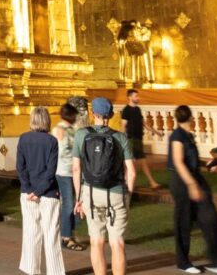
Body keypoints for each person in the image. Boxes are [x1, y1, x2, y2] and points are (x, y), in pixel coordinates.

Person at [168, 105, 217, 274]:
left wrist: (205, 165)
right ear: (191, 118)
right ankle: (183, 262)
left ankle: (216, 261)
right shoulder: (177, 136)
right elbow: (178, 163)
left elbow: (189, 161)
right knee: (184, 222)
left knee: (210, 218)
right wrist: (192, 185)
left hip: (195, 178)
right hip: (182, 182)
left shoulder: (188, 136)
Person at [73, 97, 136, 275]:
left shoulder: (81, 135)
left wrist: (78, 198)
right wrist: (127, 196)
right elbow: (131, 172)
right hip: (116, 193)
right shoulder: (120, 138)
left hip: (91, 193)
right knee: (117, 242)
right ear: (110, 115)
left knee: (96, 241)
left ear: (94, 114)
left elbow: (76, 169)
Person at [16, 106, 66, 275]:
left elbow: (20, 168)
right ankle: (55, 272)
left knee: (31, 233)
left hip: (28, 193)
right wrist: (38, 191)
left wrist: (30, 189)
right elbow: (51, 172)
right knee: (51, 234)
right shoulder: (51, 141)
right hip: (48, 193)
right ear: (46, 121)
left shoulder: (23, 139)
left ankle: (32, 270)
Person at [52, 103, 84, 251]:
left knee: (78, 203)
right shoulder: (59, 129)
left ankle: (69, 231)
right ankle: (66, 236)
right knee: (69, 204)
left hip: (74, 171)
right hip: (63, 171)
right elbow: (59, 151)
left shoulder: (72, 129)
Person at [120, 88, 161, 189]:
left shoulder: (137, 109)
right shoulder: (126, 110)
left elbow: (144, 124)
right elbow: (123, 126)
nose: (138, 98)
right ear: (129, 97)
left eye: (137, 96)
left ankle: (128, 183)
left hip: (138, 139)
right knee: (135, 163)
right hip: (131, 140)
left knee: (138, 162)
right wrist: (122, 141)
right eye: (135, 96)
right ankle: (149, 182)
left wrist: (156, 132)